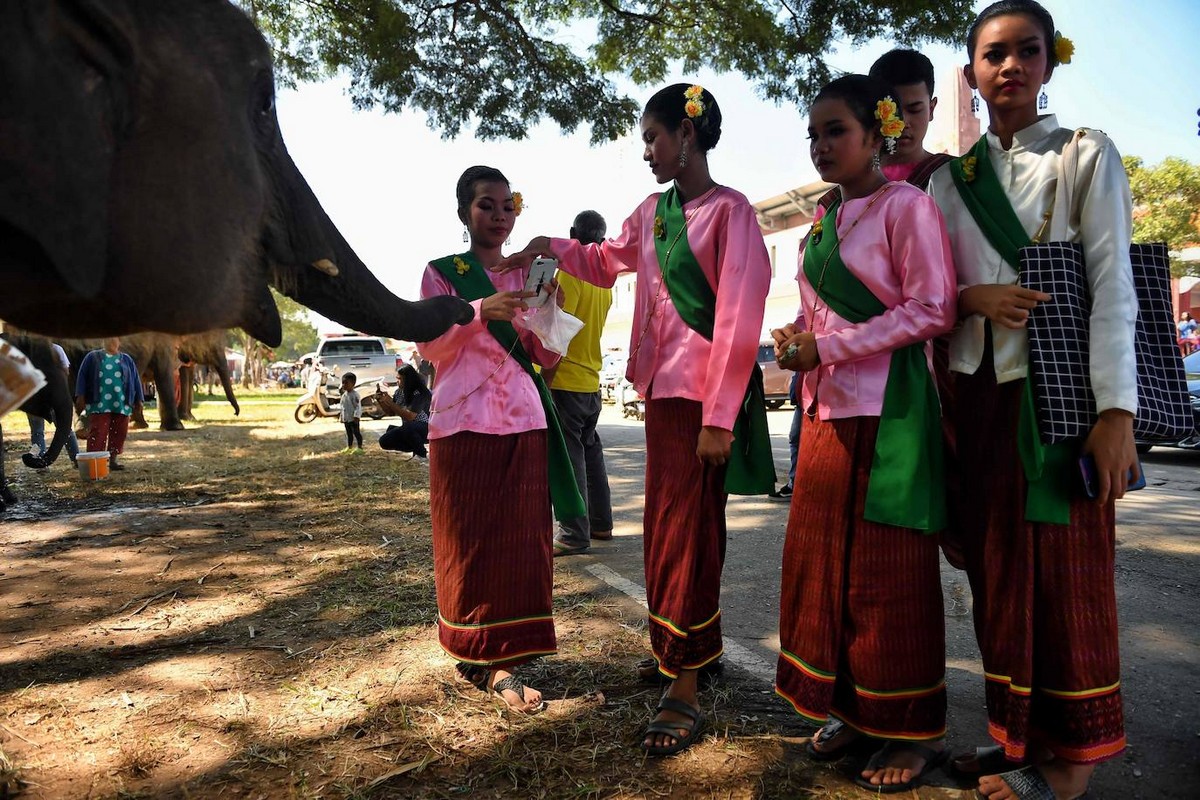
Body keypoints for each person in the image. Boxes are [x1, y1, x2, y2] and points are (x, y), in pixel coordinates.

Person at [502, 83, 774, 755]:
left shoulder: (731, 213)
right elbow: (606, 259)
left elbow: (740, 316)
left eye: (653, 137)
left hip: (705, 400)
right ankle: (685, 651)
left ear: (688, 135)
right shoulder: (652, 212)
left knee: (688, 531)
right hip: (661, 394)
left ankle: (684, 678)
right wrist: (551, 246)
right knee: (666, 528)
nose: (646, 151)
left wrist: (719, 418)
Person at [927, 3, 1139, 798]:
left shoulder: (1086, 155)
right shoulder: (950, 179)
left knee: (1062, 576)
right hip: (975, 400)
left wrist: (1115, 414)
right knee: (997, 576)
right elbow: (927, 294)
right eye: (992, 54)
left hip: (1059, 402)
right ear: (973, 70)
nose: (1009, 66)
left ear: (1051, 62)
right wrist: (969, 297)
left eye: (1026, 51)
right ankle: (1019, 738)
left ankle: (1070, 764)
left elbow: (1115, 283)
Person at [770, 74, 956, 793]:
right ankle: (852, 707)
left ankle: (913, 730)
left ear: (877, 133)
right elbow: (824, 323)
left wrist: (832, 347)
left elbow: (933, 308)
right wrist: (800, 337)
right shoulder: (824, 217)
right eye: (813, 134)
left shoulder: (904, 207)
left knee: (889, 576)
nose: (821, 146)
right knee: (827, 571)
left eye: (835, 131)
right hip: (823, 415)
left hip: (889, 416)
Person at [416, 165, 583, 714]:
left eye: (508, 206)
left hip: (523, 419)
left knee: (521, 543)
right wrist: (475, 312)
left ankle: (510, 658)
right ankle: (474, 647)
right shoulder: (442, 274)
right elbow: (432, 350)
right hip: (463, 422)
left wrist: (549, 307)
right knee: (468, 540)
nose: (499, 216)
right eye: (487, 205)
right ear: (464, 210)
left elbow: (547, 357)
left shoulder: (525, 274)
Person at [541, 210, 615, 555]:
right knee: (590, 452)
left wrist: (547, 377)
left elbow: (555, 330)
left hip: (566, 377)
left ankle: (573, 533)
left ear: (572, 235)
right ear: (600, 240)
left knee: (569, 457)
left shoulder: (567, 273)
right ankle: (601, 523)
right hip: (591, 378)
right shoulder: (605, 282)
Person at [75, 337, 143, 471]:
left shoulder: (127, 359)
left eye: (115, 339)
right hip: (99, 402)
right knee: (98, 431)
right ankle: (95, 462)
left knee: (119, 431)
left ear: (120, 342)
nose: (112, 341)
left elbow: (136, 380)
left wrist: (139, 400)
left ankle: (113, 460)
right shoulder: (92, 357)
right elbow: (82, 376)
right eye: (108, 339)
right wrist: (80, 395)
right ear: (102, 341)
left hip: (122, 402)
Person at [376, 364, 431, 458]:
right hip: (410, 429)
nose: (397, 381)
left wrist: (390, 402)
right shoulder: (399, 392)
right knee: (385, 440)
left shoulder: (419, 392)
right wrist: (381, 401)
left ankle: (421, 454)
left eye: (400, 378)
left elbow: (410, 416)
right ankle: (415, 447)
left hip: (426, 428)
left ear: (408, 379)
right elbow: (391, 412)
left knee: (408, 427)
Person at [768, 372, 801, 500]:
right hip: (800, 400)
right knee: (795, 439)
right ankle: (794, 483)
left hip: (813, 399)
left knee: (797, 440)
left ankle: (797, 484)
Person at [339, 371, 362, 451]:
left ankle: (360, 447)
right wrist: (342, 417)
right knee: (349, 434)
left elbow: (358, 406)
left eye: (346, 383)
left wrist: (356, 416)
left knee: (356, 432)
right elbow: (342, 407)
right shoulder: (344, 395)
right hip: (347, 418)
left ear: (353, 384)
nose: (344, 385)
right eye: (343, 383)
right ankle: (349, 447)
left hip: (353, 418)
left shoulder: (355, 395)